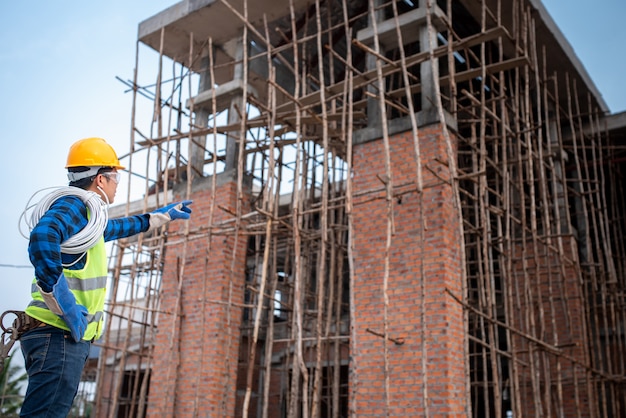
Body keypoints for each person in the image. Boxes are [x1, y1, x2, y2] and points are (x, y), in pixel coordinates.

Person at [19, 137, 193, 417]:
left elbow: (116, 227)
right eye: (115, 180)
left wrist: (159, 217)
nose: (117, 187)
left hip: (59, 335)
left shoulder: (89, 221)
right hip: (58, 332)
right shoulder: (77, 207)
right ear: (101, 179)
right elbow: (42, 236)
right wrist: (60, 298)